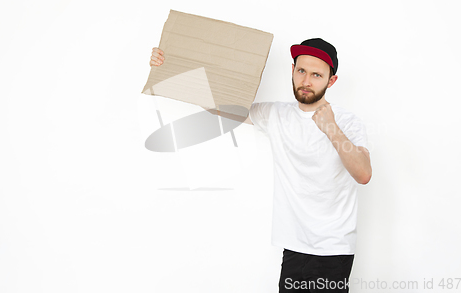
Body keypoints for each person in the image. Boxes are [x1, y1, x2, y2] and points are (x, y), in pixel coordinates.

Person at [149, 38, 372, 293]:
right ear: (292, 70)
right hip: (294, 248)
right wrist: (171, 67)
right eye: (301, 71)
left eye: (316, 74)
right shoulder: (277, 114)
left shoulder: (347, 122)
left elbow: (363, 173)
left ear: (331, 81)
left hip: (333, 250)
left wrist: (331, 129)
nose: (306, 81)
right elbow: (221, 107)